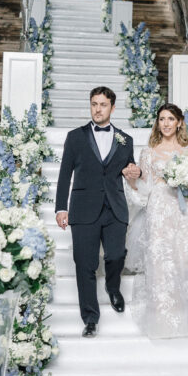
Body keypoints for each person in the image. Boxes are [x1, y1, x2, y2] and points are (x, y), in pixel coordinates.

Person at [55, 87, 140, 337]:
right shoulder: (75, 137)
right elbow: (64, 174)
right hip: (83, 209)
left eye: (103, 105)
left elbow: (131, 170)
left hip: (114, 208)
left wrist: (136, 173)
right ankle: (90, 318)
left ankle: (113, 288)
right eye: (94, 104)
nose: (98, 109)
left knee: (115, 255)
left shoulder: (126, 139)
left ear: (113, 108)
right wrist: (61, 207)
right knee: (85, 264)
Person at [124, 102, 188, 338]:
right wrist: (131, 180)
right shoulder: (148, 153)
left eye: (170, 119)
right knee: (160, 263)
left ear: (179, 122)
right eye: (162, 119)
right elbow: (144, 189)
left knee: (183, 260)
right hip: (159, 209)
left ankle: (185, 319)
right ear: (157, 123)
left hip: (184, 211)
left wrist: (185, 180)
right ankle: (160, 320)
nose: (166, 124)